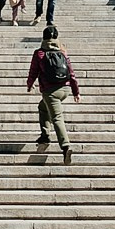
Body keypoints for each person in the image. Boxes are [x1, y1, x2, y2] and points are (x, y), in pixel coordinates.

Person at [26, 26, 80, 158]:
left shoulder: (39, 53)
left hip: (50, 91)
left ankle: (66, 146)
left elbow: (33, 71)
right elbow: (71, 73)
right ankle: (45, 136)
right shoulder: (63, 52)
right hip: (65, 89)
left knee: (57, 117)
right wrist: (76, 91)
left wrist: (29, 84)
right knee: (43, 107)